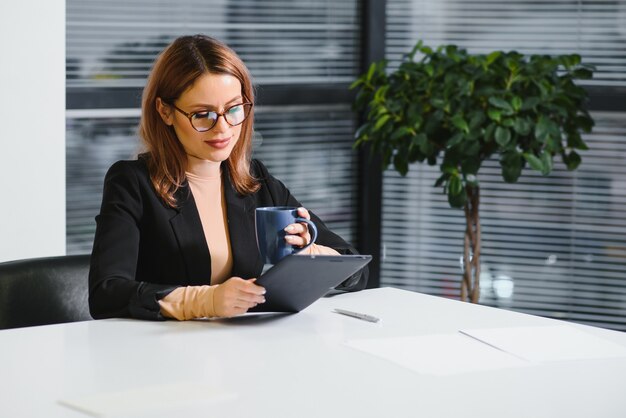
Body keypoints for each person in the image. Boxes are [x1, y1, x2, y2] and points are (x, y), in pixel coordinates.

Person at [88, 34, 368, 321]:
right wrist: (205, 301)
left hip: (240, 350)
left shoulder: (256, 181)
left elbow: (356, 271)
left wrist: (313, 253)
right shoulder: (132, 183)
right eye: (203, 114)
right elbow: (106, 294)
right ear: (165, 111)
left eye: (234, 109)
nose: (222, 128)